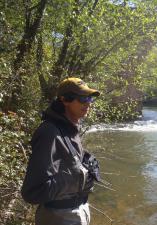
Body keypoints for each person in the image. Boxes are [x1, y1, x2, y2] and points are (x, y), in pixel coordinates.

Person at [21, 77, 100, 225]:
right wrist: (77, 178)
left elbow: (65, 167)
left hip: (78, 211)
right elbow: (32, 192)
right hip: (59, 217)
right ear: (65, 100)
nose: (88, 103)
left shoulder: (70, 128)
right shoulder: (49, 132)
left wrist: (85, 167)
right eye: (83, 98)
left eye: (89, 98)